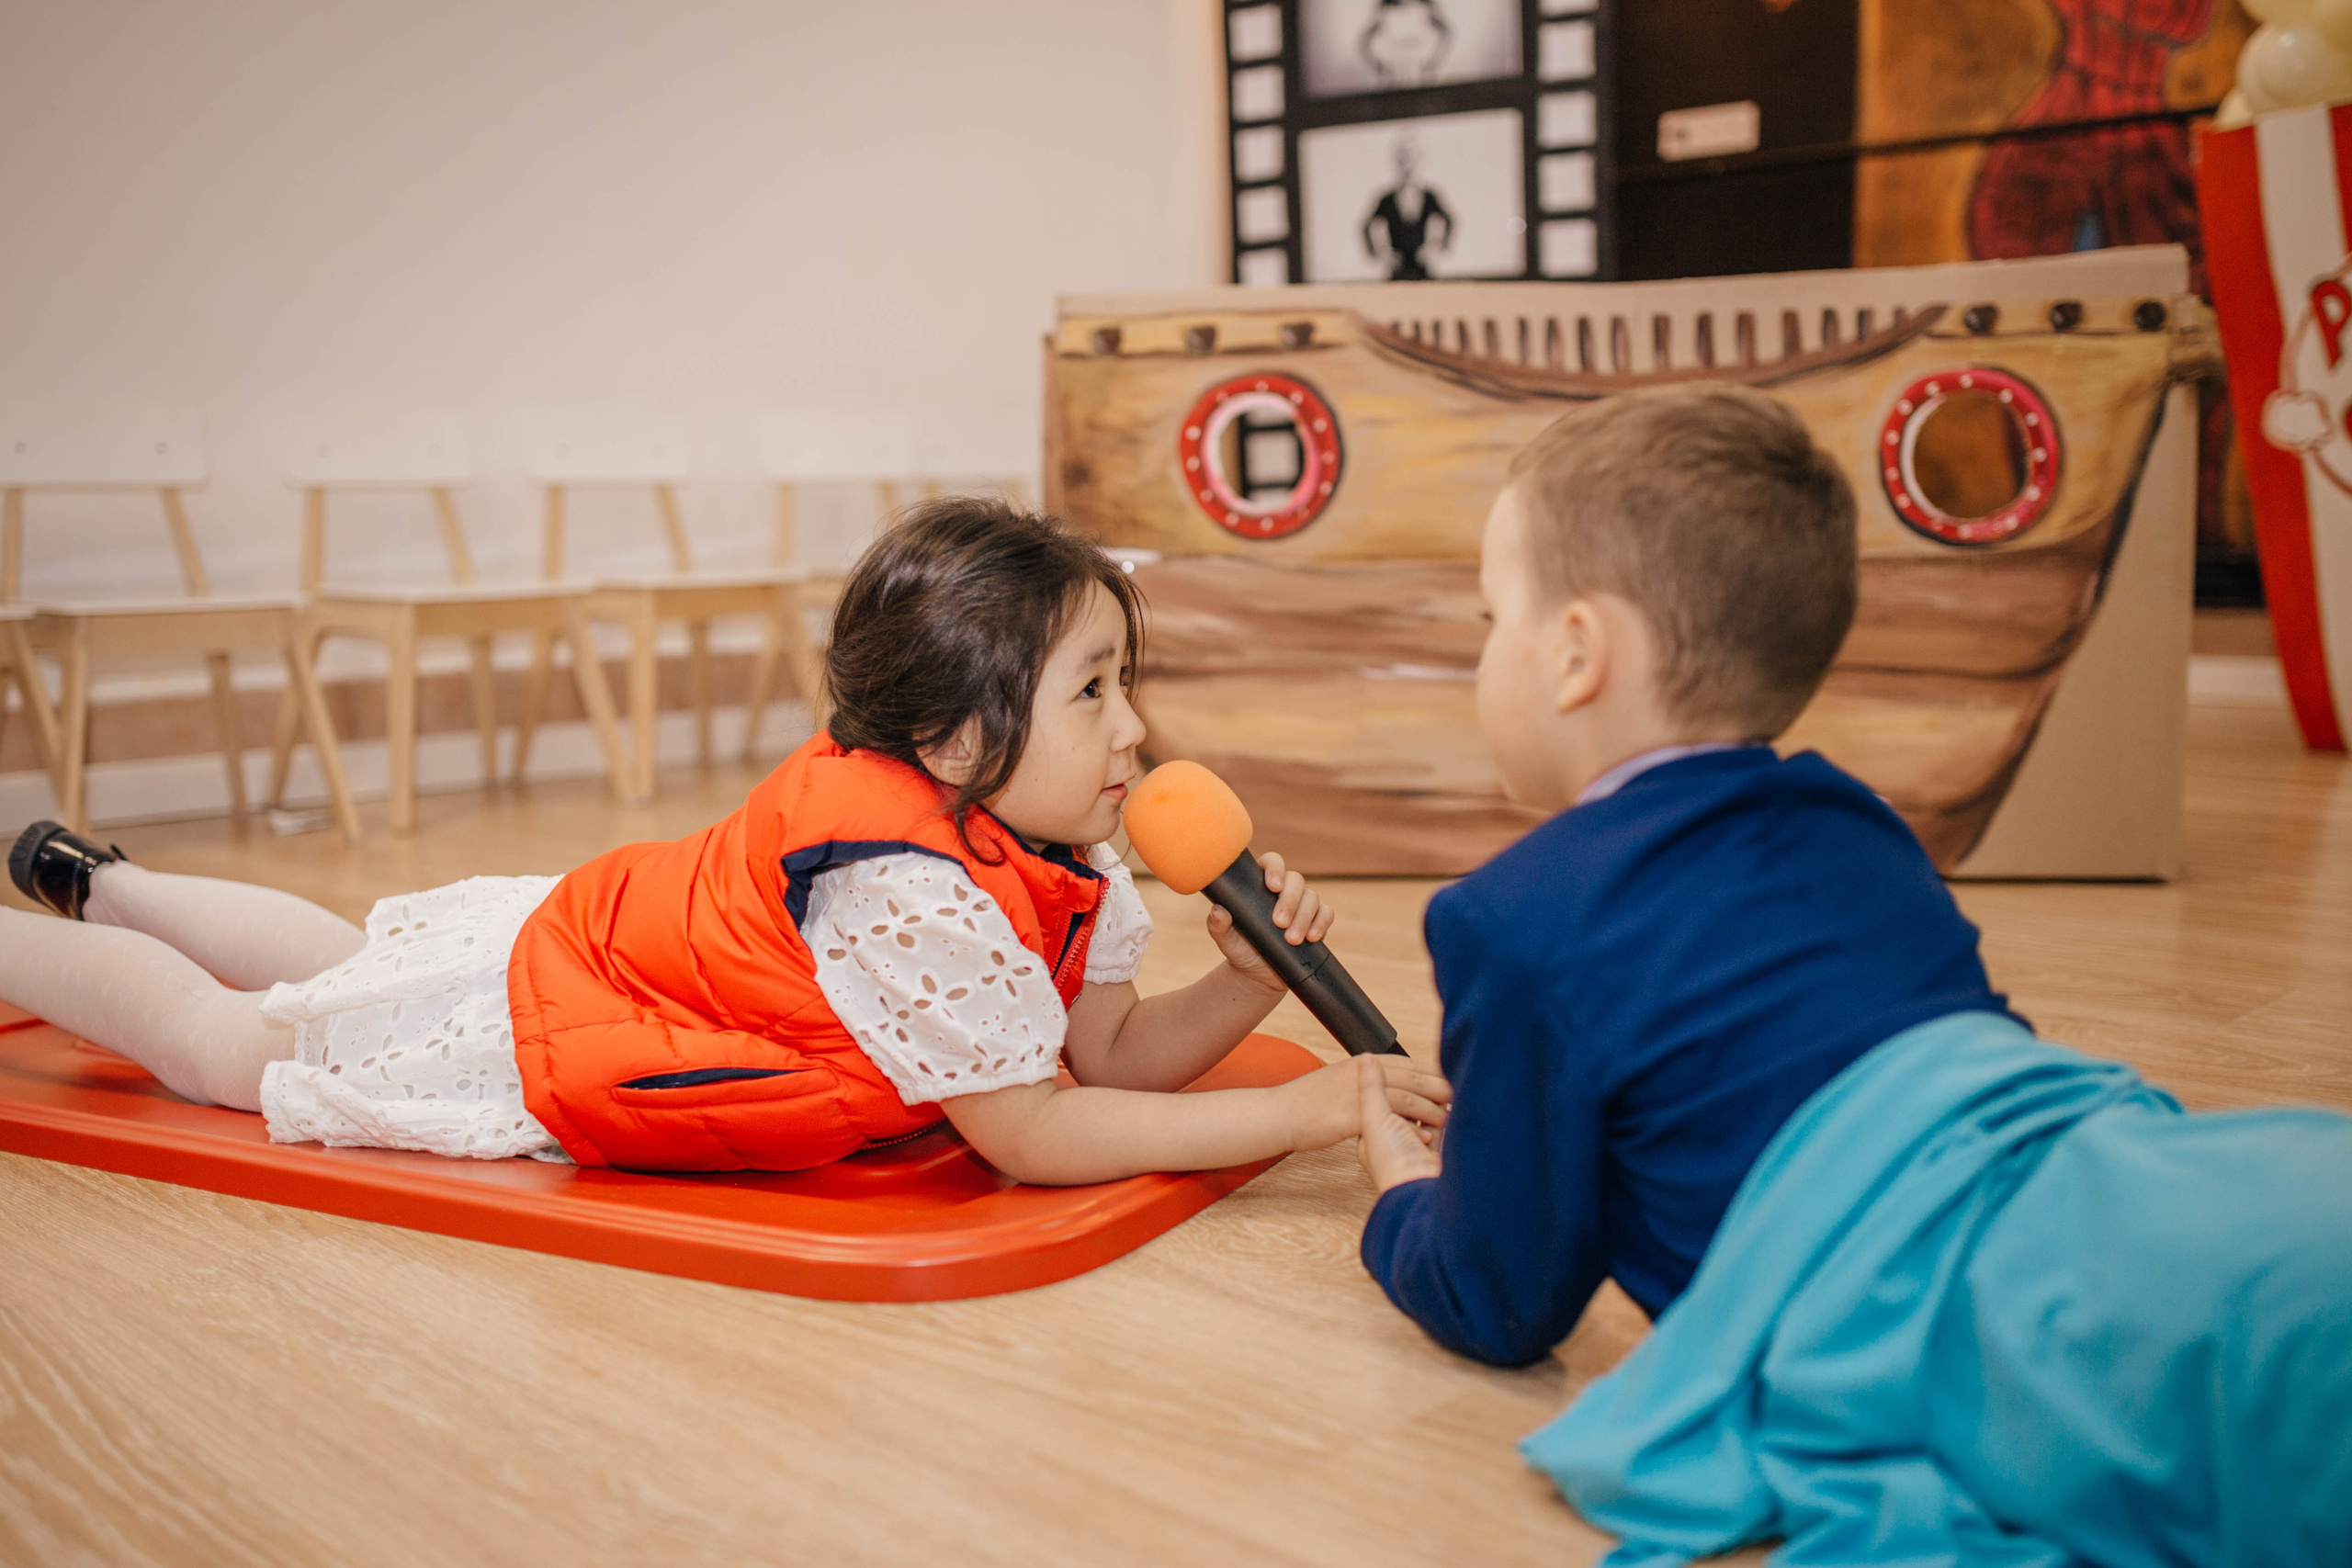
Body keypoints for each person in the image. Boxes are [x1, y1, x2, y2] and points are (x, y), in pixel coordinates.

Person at [1350, 385, 2352, 1565]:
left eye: (1487, 619)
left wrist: (1401, 1198)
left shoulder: (1510, 918)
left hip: (1970, 1305)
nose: (1481, 653)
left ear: (1574, 653)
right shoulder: (1857, 817)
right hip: (2105, 1170)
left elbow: (1499, 1296)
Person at [2, 498, 1448, 1182]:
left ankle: (99, 874)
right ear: (953, 743)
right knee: (231, 1050)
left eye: (1127, 682)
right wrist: (1306, 1106)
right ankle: (45, 915)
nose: (1136, 729)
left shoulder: (1052, 832)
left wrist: (1253, 981)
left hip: (599, 944)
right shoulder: (904, 891)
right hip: (551, 1014)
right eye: (1094, 691)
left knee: (347, 950)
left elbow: (1107, 1050)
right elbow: (1037, 1128)